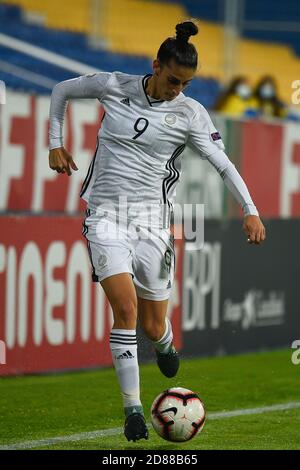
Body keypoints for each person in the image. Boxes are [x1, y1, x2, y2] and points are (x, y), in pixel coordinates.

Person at [48, 21, 266, 442]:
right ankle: (132, 409)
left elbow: (223, 164)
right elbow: (61, 91)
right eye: (172, 80)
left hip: (153, 225)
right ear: (155, 66)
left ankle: (164, 345)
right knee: (124, 311)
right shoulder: (114, 86)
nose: (176, 90)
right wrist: (55, 142)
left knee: (151, 325)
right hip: (105, 217)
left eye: (185, 84)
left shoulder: (190, 113)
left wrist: (250, 210)